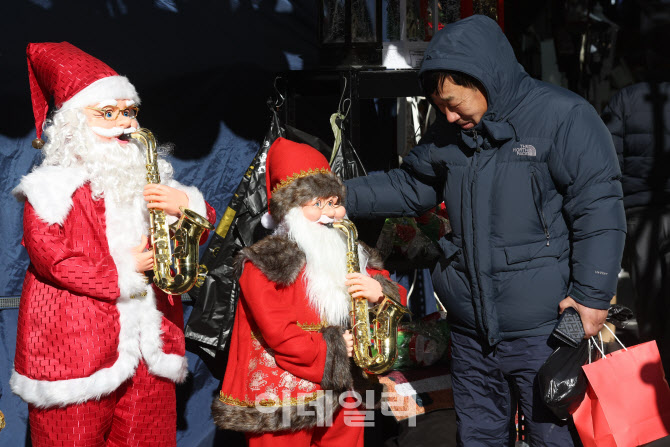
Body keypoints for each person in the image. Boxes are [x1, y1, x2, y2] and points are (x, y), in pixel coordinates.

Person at [344, 15, 626, 446]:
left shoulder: (564, 117)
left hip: (546, 330)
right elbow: (410, 185)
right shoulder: (450, 133)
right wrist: (335, 194)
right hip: (471, 332)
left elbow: (599, 209)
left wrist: (591, 295)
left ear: (485, 79)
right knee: (478, 438)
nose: (449, 115)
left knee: (553, 438)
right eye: (440, 107)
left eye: (455, 102)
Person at [10, 42, 215, 446]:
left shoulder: (150, 177)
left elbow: (195, 231)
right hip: (74, 347)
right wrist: (123, 273)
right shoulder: (52, 188)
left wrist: (187, 206)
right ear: (73, 124)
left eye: (129, 111)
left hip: (150, 346)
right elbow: (52, 257)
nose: (124, 123)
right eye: (108, 113)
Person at [211, 137, 406, 447]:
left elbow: (396, 295)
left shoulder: (353, 251)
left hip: (346, 390)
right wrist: (336, 351)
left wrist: (379, 291)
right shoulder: (264, 263)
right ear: (290, 209)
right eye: (318, 204)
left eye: (335, 202)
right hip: (284, 396)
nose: (331, 212)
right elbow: (279, 333)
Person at [601, 81, 670, 373]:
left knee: (651, 298)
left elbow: (608, 161)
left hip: (639, 211)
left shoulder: (623, 100)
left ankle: (659, 372)